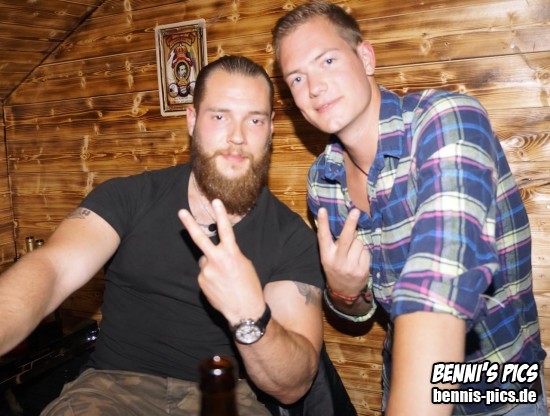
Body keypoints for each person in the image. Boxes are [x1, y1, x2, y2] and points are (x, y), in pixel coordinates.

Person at [0, 55, 326, 415]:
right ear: (192, 120)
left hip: (225, 394)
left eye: (254, 120)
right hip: (111, 392)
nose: (237, 136)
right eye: (220, 117)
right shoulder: (128, 198)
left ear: (271, 129)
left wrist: (249, 313)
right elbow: (51, 269)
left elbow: (293, 386)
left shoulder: (291, 238)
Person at [272, 2, 547, 415]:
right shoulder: (322, 181)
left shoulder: (445, 120)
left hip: (500, 386)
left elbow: (439, 279)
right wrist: (345, 292)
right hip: (405, 380)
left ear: (366, 58)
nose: (314, 87)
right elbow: (362, 310)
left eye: (327, 60)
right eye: (297, 77)